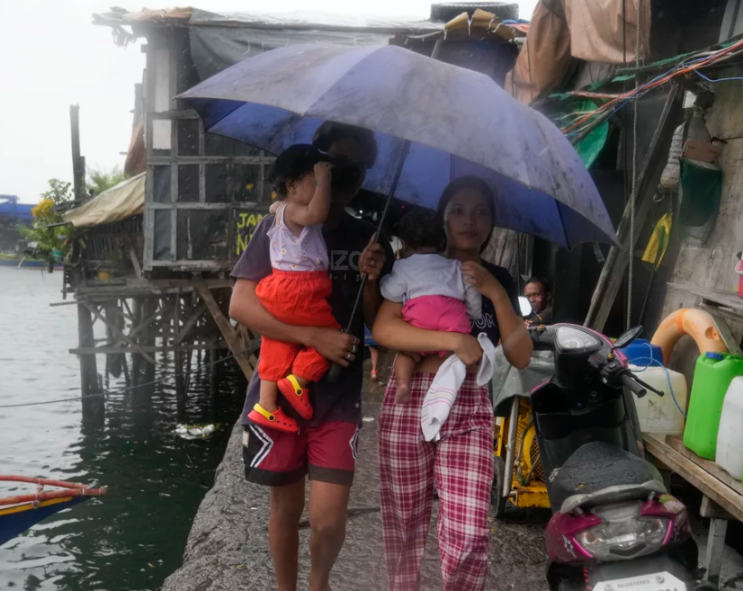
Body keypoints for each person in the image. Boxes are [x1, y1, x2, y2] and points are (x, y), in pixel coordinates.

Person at [229, 122, 392, 591]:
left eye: (356, 168)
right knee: (285, 507)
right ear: (316, 164)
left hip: (337, 396)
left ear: (365, 175)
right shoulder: (278, 224)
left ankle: (317, 583)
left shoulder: (369, 237)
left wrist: (374, 278)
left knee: (327, 517)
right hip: (279, 391)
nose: (345, 175)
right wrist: (312, 336)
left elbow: (376, 322)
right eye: (336, 163)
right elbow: (241, 305)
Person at [372, 176, 532, 591]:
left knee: (469, 533)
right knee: (405, 523)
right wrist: (453, 340)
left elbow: (521, 355)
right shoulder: (415, 266)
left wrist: (496, 293)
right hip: (409, 400)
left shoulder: (499, 277)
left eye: (481, 212)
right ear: (442, 217)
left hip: (467, 405)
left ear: (492, 223)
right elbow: (385, 330)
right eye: (458, 210)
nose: (469, 220)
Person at [248, 146, 337, 433]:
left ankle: (266, 404)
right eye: (314, 182)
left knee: (276, 342)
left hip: (280, 287)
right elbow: (317, 213)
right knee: (331, 336)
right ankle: (299, 379)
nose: (323, 189)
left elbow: (278, 206)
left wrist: (316, 182)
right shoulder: (298, 211)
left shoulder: (279, 210)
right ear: (292, 185)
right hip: (301, 286)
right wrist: (325, 178)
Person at [380, 208, 481, 403]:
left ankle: (403, 384)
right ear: (442, 241)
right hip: (453, 317)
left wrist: (384, 280)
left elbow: (389, 292)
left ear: (405, 243)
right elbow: (473, 296)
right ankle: (459, 382)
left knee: (407, 353)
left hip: (420, 317)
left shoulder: (403, 266)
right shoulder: (456, 266)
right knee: (454, 355)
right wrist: (472, 314)